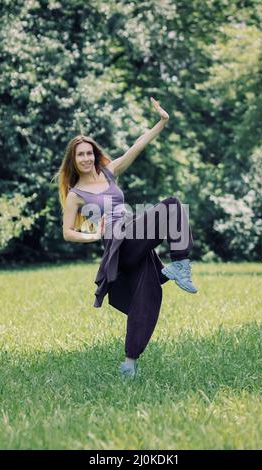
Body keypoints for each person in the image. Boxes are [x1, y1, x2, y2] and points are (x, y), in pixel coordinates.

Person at [56, 97, 198, 379]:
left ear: (95, 154)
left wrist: (162, 121)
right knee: (172, 205)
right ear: (73, 160)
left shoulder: (109, 172)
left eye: (88, 153)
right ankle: (180, 264)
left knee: (148, 296)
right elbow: (67, 232)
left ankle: (129, 363)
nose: (85, 158)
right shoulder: (76, 194)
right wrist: (95, 233)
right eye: (79, 155)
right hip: (118, 243)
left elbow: (137, 145)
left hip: (135, 234)